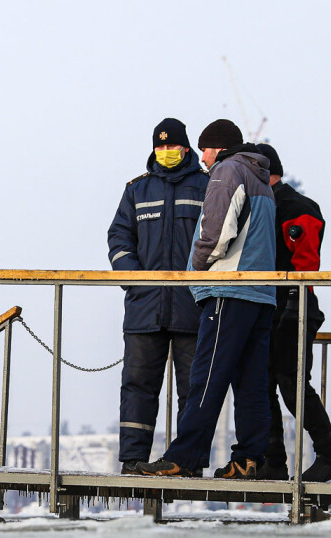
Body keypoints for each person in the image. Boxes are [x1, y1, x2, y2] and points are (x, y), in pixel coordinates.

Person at [129, 119, 278, 479]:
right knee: (251, 381)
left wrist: (194, 269)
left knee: (206, 377)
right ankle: (248, 460)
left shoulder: (228, 171)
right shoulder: (261, 177)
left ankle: (185, 457)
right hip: (260, 294)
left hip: (228, 289)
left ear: (219, 147)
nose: (203, 158)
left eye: (205, 149)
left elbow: (215, 230)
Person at [107, 118, 209, 472]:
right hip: (144, 308)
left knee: (193, 391)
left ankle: (188, 461)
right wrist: (134, 280)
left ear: (186, 148)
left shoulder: (207, 187)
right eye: (160, 147)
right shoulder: (137, 190)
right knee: (137, 387)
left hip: (192, 308)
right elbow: (119, 239)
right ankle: (133, 459)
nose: (165, 152)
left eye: (171, 146)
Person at [252, 143, 331, 482]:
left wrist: (293, 302)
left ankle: (328, 456)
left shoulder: (295, 207)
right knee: (263, 384)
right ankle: (274, 460)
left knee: (291, 385)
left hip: (292, 307)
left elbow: (306, 266)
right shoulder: (272, 205)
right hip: (274, 306)